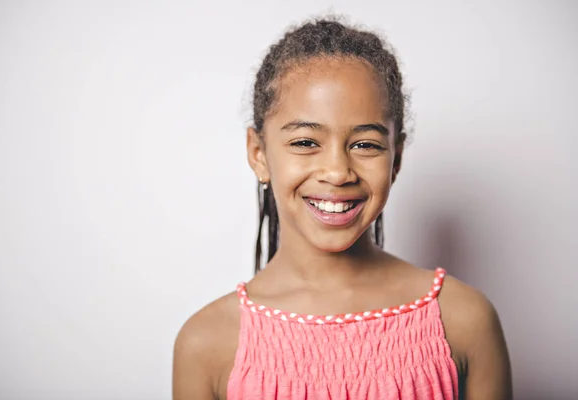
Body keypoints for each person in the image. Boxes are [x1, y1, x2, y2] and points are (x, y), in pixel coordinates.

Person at [172, 17, 512, 400]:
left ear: (396, 158)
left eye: (365, 144)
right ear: (258, 153)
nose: (337, 172)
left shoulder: (464, 320)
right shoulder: (207, 342)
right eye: (305, 142)